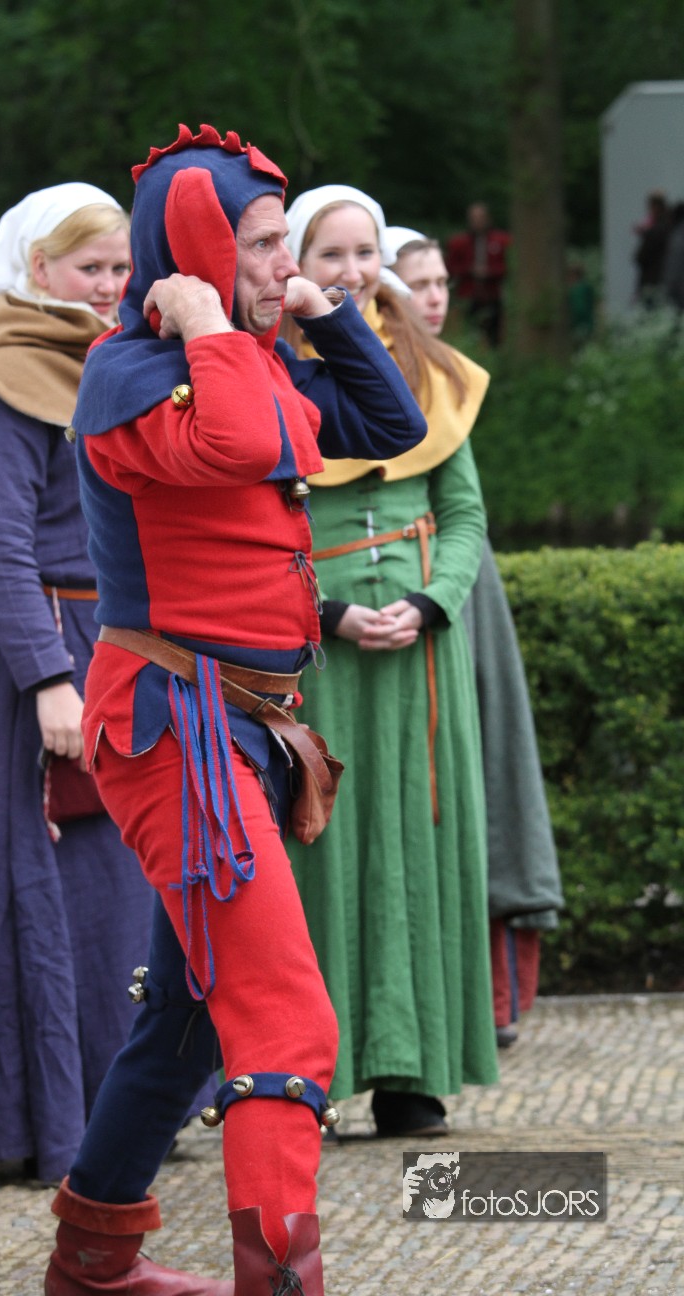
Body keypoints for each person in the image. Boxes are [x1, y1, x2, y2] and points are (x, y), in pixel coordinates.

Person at [41, 125, 427, 1296]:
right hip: (175, 729)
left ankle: (93, 1261)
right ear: (196, 254)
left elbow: (392, 425)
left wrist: (321, 311)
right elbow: (247, 440)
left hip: (241, 729)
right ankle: (281, 1280)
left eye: (280, 241)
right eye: (259, 243)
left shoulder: (249, 362)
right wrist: (211, 322)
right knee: (283, 1018)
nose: (281, 261)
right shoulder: (127, 376)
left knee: (190, 1017)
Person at [0, 184, 157, 1186]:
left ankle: (126, 1118)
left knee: (119, 891)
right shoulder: (2, 378)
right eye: (90, 269)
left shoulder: (106, 361)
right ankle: (43, 1128)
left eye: (120, 268)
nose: (110, 286)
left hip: (113, 644)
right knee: (45, 885)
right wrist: (49, 679)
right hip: (40, 661)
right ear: (36, 268)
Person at [282, 184, 498, 1139]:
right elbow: (255, 533)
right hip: (318, 657)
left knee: (417, 846)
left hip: (420, 660)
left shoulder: (432, 369)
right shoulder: (271, 372)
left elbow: (463, 516)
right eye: (330, 254)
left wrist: (431, 600)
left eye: (365, 252)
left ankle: (414, 1077)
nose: (353, 271)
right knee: (320, 854)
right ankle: (313, 1078)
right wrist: (326, 612)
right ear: (295, 264)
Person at [394, 230, 564, 1048]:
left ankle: (490, 995)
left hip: (455, 589)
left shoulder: (447, 378)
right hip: (401, 601)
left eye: (440, 282)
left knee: (484, 778)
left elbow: (462, 510)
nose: (433, 298)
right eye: (415, 283)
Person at [446, 202, 511, 347]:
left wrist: (490, 272)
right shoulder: (459, 243)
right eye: (474, 218)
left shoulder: (501, 240)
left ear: (488, 218)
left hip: (493, 295)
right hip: (468, 295)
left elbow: (509, 266)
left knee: (494, 334)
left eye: (481, 217)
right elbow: (450, 267)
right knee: (468, 332)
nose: (478, 221)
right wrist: (470, 270)